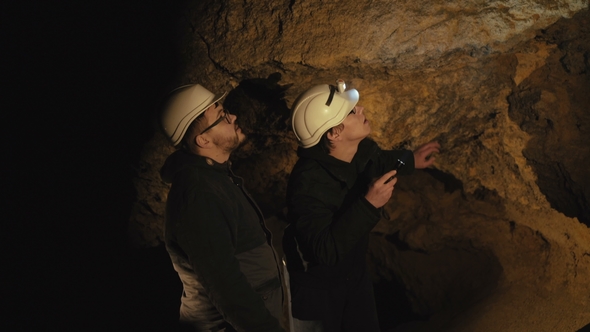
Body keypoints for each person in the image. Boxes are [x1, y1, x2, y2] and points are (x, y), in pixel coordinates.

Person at [283, 80, 440, 332]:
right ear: (334, 133)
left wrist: (411, 160)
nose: (362, 109)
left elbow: (380, 160)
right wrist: (369, 204)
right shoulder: (307, 185)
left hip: (354, 275)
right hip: (318, 290)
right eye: (352, 112)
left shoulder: (359, 149)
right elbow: (325, 252)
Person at [159, 84, 285, 332]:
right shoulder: (198, 194)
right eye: (223, 117)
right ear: (203, 139)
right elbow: (224, 285)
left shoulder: (214, 177)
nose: (234, 117)